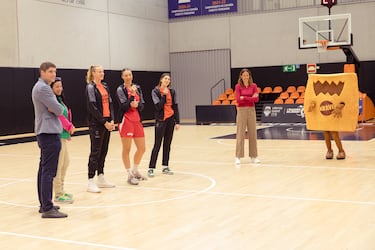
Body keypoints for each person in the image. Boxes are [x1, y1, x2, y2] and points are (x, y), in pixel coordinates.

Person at [32, 62, 67, 218]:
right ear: (42, 72)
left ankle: (44, 203)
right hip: (48, 133)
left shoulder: (41, 87)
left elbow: (55, 108)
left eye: (55, 71)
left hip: (45, 132)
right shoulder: (44, 88)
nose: (53, 74)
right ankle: (47, 207)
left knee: (44, 169)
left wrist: (54, 108)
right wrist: (56, 108)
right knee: (48, 171)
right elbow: (59, 109)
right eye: (50, 71)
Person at [85, 65, 115, 193]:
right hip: (97, 124)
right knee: (95, 152)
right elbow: (92, 107)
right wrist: (103, 122)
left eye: (103, 71)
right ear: (93, 73)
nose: (102, 73)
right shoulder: (90, 87)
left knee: (104, 150)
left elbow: (111, 104)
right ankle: (90, 180)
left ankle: (101, 177)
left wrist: (112, 119)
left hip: (107, 123)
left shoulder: (105, 87)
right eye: (99, 71)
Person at [116, 69, 147, 185]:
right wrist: (131, 98)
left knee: (142, 148)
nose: (128, 77)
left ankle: (135, 170)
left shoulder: (137, 88)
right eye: (126, 75)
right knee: (127, 149)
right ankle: (129, 174)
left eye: (129, 75)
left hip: (137, 120)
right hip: (126, 121)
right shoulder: (120, 90)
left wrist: (138, 105)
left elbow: (143, 105)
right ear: (122, 77)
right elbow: (123, 106)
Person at [148, 73, 180, 177]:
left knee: (167, 144)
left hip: (170, 119)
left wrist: (177, 121)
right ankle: (151, 168)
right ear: (161, 80)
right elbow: (158, 106)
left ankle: (165, 166)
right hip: (161, 120)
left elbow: (175, 106)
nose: (167, 81)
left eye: (169, 79)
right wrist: (164, 95)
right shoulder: (155, 91)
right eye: (165, 79)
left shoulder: (172, 91)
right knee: (157, 144)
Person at [51, 77, 75, 203]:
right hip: (57, 135)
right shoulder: (52, 102)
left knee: (65, 163)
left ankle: (62, 190)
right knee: (59, 165)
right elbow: (59, 116)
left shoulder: (60, 100)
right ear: (51, 88)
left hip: (64, 136)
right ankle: (58, 194)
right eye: (56, 87)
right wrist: (69, 126)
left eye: (60, 86)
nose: (59, 89)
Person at [234, 68, 260, 165]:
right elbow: (238, 99)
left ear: (249, 76)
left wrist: (244, 97)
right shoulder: (237, 87)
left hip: (251, 110)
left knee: (252, 134)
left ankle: (254, 156)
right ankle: (238, 157)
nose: (245, 77)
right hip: (241, 111)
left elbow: (256, 99)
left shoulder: (254, 86)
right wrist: (250, 98)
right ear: (241, 76)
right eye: (244, 75)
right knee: (240, 134)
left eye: (247, 75)